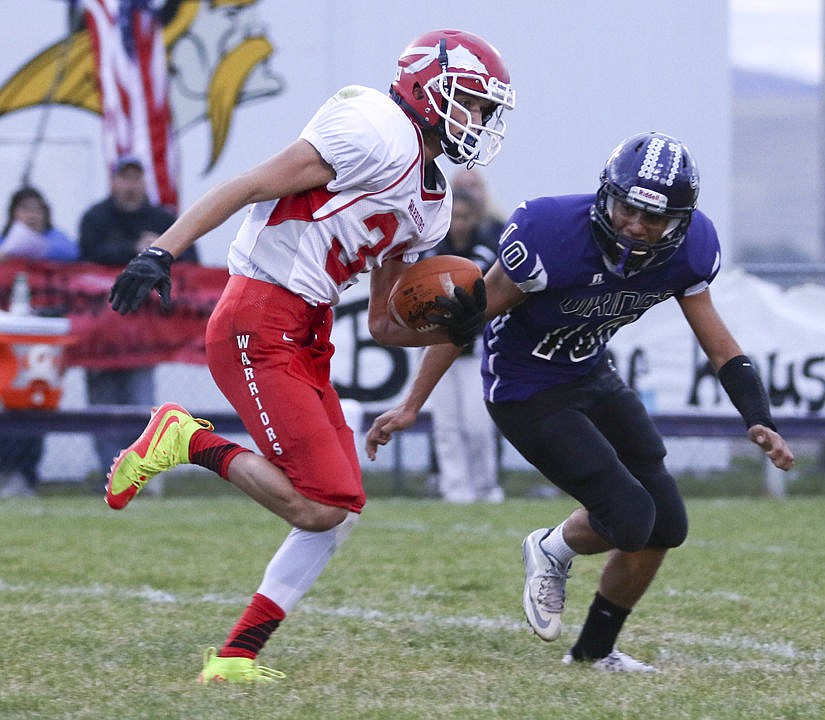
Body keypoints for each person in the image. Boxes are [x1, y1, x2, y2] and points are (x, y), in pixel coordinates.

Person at [104, 29, 515, 683]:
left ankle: (238, 655)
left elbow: (384, 323)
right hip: (258, 317)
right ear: (426, 85)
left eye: (486, 110)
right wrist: (163, 250)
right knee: (320, 504)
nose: (478, 120)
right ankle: (184, 440)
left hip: (309, 329)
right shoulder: (373, 127)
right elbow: (248, 184)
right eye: (471, 101)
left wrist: (455, 326)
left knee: (340, 509)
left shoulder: (434, 207)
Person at [366, 131, 794, 672]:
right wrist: (411, 405)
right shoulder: (550, 235)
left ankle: (593, 652)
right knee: (631, 517)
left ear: (680, 223)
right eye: (628, 208)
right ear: (606, 196)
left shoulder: (690, 250)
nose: (636, 226)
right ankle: (552, 547)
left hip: (590, 373)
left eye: (654, 218)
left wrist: (758, 417)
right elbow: (467, 319)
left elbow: (719, 342)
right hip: (525, 389)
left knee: (667, 526)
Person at [77, 155, 197, 482]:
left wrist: (158, 252)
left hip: (146, 336)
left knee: (142, 406)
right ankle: (109, 474)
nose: (131, 186)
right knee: (101, 407)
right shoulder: (96, 217)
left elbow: (192, 260)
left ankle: (139, 476)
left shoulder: (163, 218)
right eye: (125, 178)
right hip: (100, 334)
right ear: (114, 181)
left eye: (136, 178)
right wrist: (138, 250)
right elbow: (85, 256)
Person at [423, 174, 504, 503]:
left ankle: (487, 487)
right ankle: (455, 489)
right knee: (446, 426)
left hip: (473, 349)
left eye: (466, 217)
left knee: (477, 423)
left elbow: (476, 281)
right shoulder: (431, 247)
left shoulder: (486, 244)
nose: (459, 224)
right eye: (454, 216)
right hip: (436, 345)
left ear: (475, 218)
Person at [0, 186, 78, 497]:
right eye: (24, 209)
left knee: (35, 404)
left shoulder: (56, 243)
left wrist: (29, 246)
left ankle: (25, 474)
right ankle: (6, 471)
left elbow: (70, 252)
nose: (31, 215)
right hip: (8, 343)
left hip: (41, 345)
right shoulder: (5, 244)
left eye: (37, 209)